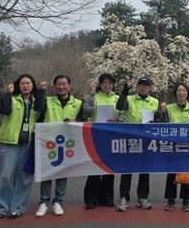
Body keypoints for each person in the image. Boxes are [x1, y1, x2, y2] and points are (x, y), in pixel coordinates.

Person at [0, 74, 43, 220]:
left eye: (28, 83)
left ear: (32, 85)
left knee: (24, 178)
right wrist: (8, 93)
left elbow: (41, 110)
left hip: (29, 145)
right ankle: (0, 209)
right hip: (9, 143)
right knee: (4, 176)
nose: (25, 86)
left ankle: (17, 208)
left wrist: (41, 92)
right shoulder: (12, 99)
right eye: (22, 83)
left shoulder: (36, 101)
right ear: (18, 85)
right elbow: (3, 110)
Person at [34, 75, 83, 217]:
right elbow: (38, 109)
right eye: (58, 84)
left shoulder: (78, 103)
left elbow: (81, 120)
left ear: (69, 85)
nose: (62, 87)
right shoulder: (47, 100)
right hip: (48, 141)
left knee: (62, 173)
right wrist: (41, 91)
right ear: (55, 86)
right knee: (47, 172)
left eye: (64, 84)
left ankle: (58, 202)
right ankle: (44, 202)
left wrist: (76, 121)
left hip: (66, 143)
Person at [115, 77, 159, 211]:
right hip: (130, 139)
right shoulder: (128, 99)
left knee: (144, 169)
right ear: (137, 86)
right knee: (127, 169)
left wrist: (156, 121)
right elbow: (119, 107)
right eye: (141, 85)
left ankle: (142, 197)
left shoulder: (155, 102)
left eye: (146, 85)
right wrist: (125, 91)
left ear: (150, 88)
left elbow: (158, 118)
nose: (143, 87)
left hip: (146, 140)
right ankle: (124, 197)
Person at [82, 73, 119, 209]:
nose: (107, 85)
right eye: (104, 83)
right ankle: (91, 199)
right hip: (95, 136)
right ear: (100, 84)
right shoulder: (94, 96)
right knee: (94, 167)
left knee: (109, 168)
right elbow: (87, 111)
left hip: (112, 136)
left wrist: (116, 120)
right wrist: (92, 94)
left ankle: (107, 198)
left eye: (110, 83)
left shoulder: (117, 98)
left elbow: (122, 116)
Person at [161, 83, 189, 211]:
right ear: (175, 93)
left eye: (184, 90)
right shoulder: (169, 108)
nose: (181, 93)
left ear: (187, 93)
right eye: (179, 91)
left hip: (188, 146)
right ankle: (170, 200)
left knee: (186, 172)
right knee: (171, 173)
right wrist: (163, 111)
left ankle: (185, 201)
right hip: (172, 145)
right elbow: (163, 124)